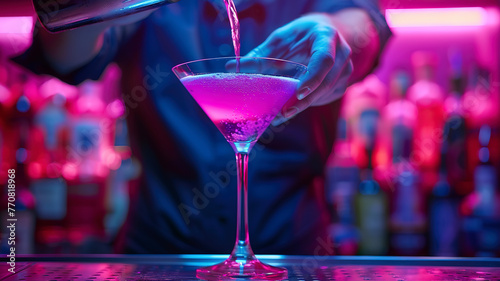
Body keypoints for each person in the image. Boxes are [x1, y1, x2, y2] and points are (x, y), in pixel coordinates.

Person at [15, 0, 391, 255]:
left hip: (296, 253)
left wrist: (332, 30)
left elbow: (365, 25)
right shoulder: (152, 10)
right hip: (158, 255)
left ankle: (244, 254)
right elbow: (61, 54)